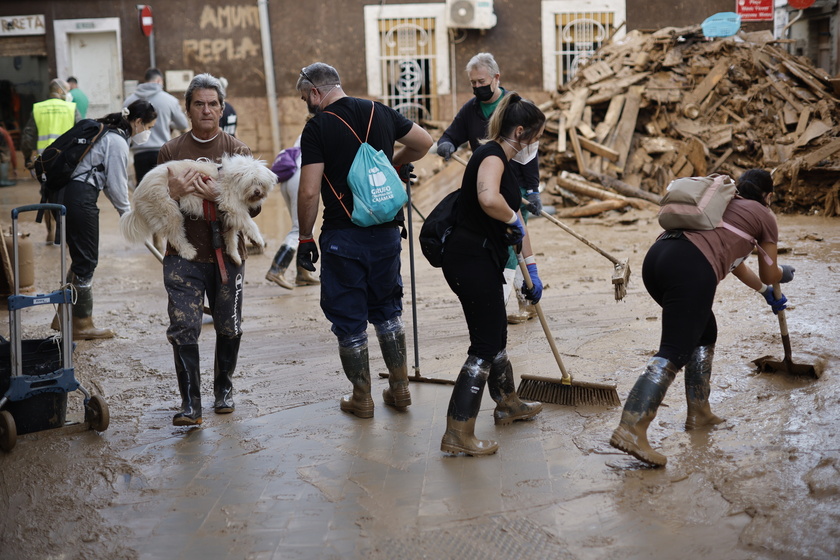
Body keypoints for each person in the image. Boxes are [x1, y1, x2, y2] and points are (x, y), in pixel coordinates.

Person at [609, 169, 796, 467]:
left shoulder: (721, 204)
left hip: (659, 258)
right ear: (768, 196)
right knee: (674, 349)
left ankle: (700, 412)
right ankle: (631, 428)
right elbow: (769, 271)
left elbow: (735, 265)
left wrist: (764, 292)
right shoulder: (763, 214)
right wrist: (781, 275)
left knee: (704, 331)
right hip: (690, 267)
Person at [295, 62, 433, 419]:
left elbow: (309, 192)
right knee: (387, 309)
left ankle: (362, 398)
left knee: (348, 317)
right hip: (387, 233)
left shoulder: (317, 128)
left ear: (314, 92)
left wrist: (306, 237)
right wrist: (394, 166)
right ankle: (400, 389)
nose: (305, 105)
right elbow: (424, 142)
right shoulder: (379, 111)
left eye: (304, 98)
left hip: (344, 237)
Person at [439, 92, 545, 456]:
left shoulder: (507, 162)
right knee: (484, 345)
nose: (537, 144)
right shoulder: (491, 155)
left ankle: (508, 403)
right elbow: (488, 199)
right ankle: (457, 432)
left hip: (482, 258)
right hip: (469, 259)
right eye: (537, 136)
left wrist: (531, 272)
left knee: (495, 332)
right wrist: (512, 218)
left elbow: (517, 222)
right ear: (521, 132)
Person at [158, 73, 254, 427]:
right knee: (183, 328)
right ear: (187, 109)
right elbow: (151, 207)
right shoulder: (170, 152)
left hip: (227, 255)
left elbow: (255, 208)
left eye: (214, 104)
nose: (207, 110)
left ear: (222, 107)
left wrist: (223, 196)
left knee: (229, 326)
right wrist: (172, 192)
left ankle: (223, 389)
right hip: (182, 256)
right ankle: (190, 404)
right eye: (199, 104)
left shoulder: (237, 150)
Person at [436, 53, 542, 325]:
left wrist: (532, 190)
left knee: (514, 242)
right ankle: (503, 300)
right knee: (507, 244)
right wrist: (447, 143)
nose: (477, 87)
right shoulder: (479, 128)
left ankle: (524, 297)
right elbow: (490, 199)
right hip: (491, 190)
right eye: (473, 83)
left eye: (482, 81)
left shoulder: (516, 108)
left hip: (512, 188)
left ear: (497, 78)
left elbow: (530, 155)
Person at [50, 99, 157, 340]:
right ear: (137, 122)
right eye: (148, 127)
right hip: (79, 198)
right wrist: (127, 214)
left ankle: (63, 317)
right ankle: (82, 323)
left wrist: (124, 210)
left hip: (70, 194)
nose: (148, 133)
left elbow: (108, 182)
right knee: (86, 261)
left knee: (81, 258)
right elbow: (117, 185)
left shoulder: (109, 133)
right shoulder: (117, 141)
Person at [21, 79, 81, 243]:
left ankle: (50, 232)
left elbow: (27, 136)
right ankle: (67, 235)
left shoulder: (38, 108)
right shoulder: (71, 108)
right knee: (67, 196)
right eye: (67, 90)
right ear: (61, 91)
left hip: (44, 162)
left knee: (46, 194)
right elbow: (82, 134)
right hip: (67, 162)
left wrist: (27, 157)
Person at [265, 133, 320, 289]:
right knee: (301, 228)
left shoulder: (307, 130)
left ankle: (303, 274)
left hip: (289, 177)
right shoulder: (326, 126)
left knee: (302, 225)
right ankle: (277, 269)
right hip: (302, 178)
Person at [124, 68, 189, 184]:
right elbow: (183, 124)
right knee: (163, 192)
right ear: (159, 80)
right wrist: (168, 122)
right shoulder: (169, 100)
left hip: (139, 154)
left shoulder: (129, 101)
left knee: (144, 194)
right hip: (162, 152)